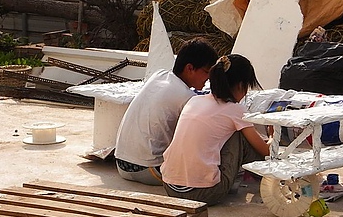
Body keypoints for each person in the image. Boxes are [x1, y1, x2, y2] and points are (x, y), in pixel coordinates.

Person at [161, 54, 271, 205]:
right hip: (204, 193)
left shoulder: (194, 101)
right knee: (239, 136)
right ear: (240, 85)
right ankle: (267, 176)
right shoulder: (235, 110)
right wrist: (272, 137)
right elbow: (265, 151)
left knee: (226, 133)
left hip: (170, 186)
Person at [114, 38, 218, 186]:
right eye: (206, 72)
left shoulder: (159, 75)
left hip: (121, 164)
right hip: (147, 169)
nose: (208, 79)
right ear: (190, 68)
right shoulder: (186, 98)